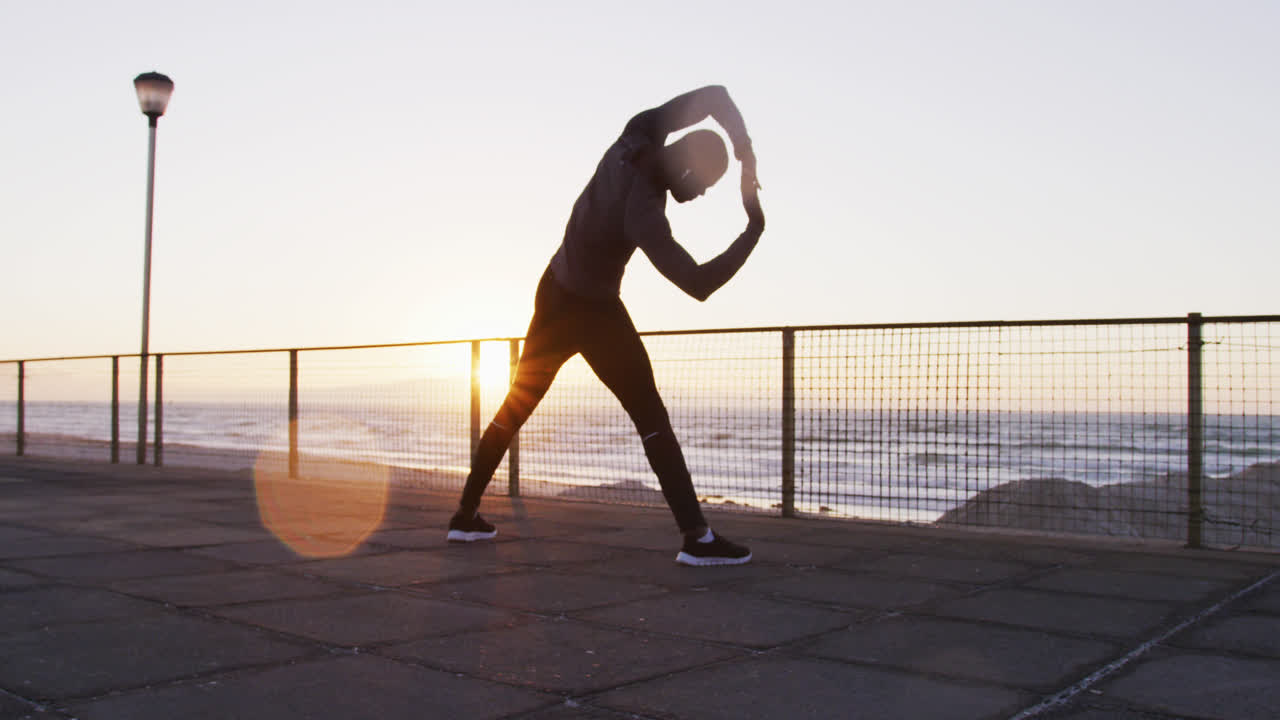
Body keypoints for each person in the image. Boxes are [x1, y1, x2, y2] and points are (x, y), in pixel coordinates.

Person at [447, 85, 765, 566]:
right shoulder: (644, 210)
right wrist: (752, 230)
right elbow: (699, 284)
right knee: (651, 416)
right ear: (687, 167)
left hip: (553, 292)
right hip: (592, 312)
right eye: (704, 184)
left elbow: (716, 95)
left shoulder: (637, 132)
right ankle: (697, 540)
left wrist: (744, 152)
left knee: (515, 406)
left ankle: (464, 517)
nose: (700, 195)